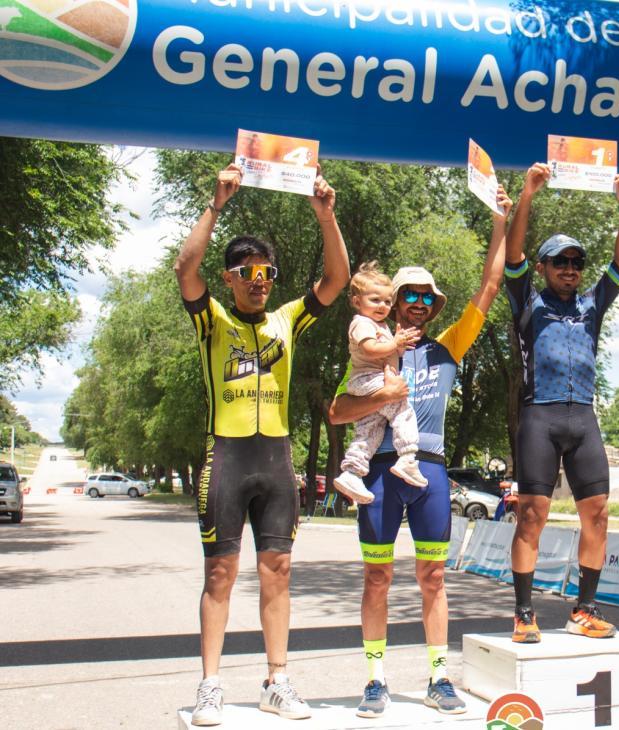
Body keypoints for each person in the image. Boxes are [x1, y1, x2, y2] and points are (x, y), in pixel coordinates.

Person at [175, 163, 350, 726]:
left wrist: (326, 215)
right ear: (229, 278)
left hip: (276, 461)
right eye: (248, 271)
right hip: (226, 457)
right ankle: (210, 686)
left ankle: (277, 680)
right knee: (220, 574)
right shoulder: (213, 321)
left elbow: (337, 279)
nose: (259, 280)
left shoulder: (286, 320)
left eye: (267, 272)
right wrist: (216, 204)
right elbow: (184, 267)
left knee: (278, 570)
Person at [328, 188, 513, 718]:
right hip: (380, 472)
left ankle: (438, 677)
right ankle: (375, 680)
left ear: (435, 307)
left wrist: (500, 221)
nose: (418, 303)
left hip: (428, 471)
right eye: (409, 294)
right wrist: (383, 394)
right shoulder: (369, 350)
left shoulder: (447, 346)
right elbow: (337, 412)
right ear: (394, 300)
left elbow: (491, 285)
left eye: (427, 298)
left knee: (433, 577)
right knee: (377, 577)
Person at [505, 162, 619, 644]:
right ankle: (524, 613)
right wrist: (527, 194)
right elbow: (513, 252)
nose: (569, 269)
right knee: (532, 514)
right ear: (542, 268)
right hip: (539, 415)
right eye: (559, 261)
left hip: (583, 416)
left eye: (576, 262)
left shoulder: (591, 304)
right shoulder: (527, 300)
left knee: (598, 513)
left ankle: (585, 609)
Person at [333, 262, 424, 504]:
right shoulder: (362, 323)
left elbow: (387, 352)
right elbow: (371, 349)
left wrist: (398, 345)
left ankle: (352, 472)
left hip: (370, 382)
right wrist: (395, 343)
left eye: (387, 301)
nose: (382, 306)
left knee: (369, 428)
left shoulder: (380, 326)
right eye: (375, 300)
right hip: (368, 379)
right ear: (356, 301)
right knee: (403, 410)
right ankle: (408, 456)